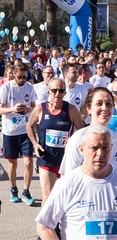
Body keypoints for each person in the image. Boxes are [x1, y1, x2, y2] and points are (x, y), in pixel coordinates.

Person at [36, 124, 117, 240]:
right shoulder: (67, 184)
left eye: (105, 147)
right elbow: (44, 226)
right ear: (81, 149)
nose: (100, 154)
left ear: (111, 148)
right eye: (94, 148)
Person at [26, 78, 83, 206]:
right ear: (48, 91)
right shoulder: (40, 108)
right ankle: (44, 226)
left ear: (65, 92)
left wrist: (73, 139)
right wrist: (35, 144)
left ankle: (59, 225)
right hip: (46, 158)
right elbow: (29, 126)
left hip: (65, 160)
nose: (57, 93)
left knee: (64, 197)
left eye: (61, 90)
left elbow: (82, 132)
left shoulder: (71, 110)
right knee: (47, 195)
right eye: (54, 90)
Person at [59, 87, 117, 176]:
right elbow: (68, 177)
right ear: (89, 108)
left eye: (108, 104)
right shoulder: (78, 138)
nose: (104, 108)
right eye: (99, 104)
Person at [0, 63, 36, 205]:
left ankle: (26, 192)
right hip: (10, 132)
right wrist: (13, 109)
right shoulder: (6, 87)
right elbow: (0, 109)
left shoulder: (29, 87)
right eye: (19, 77)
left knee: (28, 162)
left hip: (25, 130)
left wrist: (28, 109)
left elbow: (33, 106)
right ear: (14, 74)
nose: (22, 79)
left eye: (25, 77)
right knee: (12, 163)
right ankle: (13, 189)